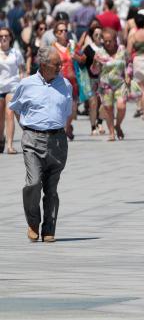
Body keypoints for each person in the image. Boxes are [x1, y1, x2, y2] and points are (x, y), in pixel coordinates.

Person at [11, 46, 73, 243]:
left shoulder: (66, 85)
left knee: (51, 188)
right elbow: (16, 108)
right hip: (32, 139)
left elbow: (67, 110)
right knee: (33, 182)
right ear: (44, 65)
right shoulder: (26, 84)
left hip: (57, 141)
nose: (60, 67)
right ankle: (32, 222)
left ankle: (49, 229)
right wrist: (28, 129)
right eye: (57, 64)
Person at [51, 21, 78, 140]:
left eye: (65, 30)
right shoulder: (53, 47)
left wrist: (77, 56)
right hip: (59, 82)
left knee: (73, 107)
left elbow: (83, 58)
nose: (63, 33)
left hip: (72, 80)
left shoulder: (72, 44)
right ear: (56, 34)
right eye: (60, 31)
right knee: (60, 106)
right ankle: (64, 129)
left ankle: (68, 127)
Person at [0, 27, 25, 153]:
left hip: (12, 87)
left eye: (6, 36)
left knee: (9, 113)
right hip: (0, 88)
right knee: (0, 117)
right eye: (1, 36)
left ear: (10, 38)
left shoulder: (16, 53)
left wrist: (22, 83)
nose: (3, 38)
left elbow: (21, 70)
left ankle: (9, 145)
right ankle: (1, 138)